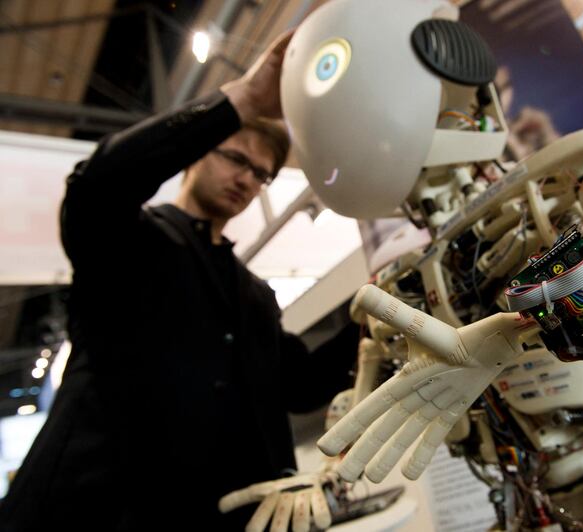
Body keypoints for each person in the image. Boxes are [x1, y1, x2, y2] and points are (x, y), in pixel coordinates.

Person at [0, 30, 358, 531]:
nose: (247, 180)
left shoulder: (253, 294)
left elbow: (299, 387)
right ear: (197, 153)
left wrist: (372, 314)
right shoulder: (128, 239)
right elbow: (98, 185)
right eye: (236, 158)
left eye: (261, 174)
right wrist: (244, 100)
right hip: (102, 511)